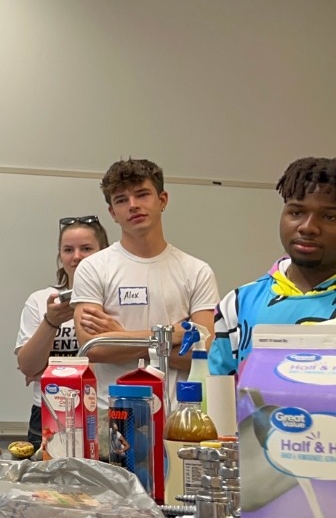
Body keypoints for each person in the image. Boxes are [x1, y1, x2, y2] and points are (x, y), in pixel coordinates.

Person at [73, 158, 220, 392]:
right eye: (121, 200)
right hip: (112, 412)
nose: (133, 205)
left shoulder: (196, 271)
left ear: (163, 200)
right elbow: (93, 348)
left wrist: (121, 337)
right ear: (112, 212)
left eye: (142, 194)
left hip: (180, 414)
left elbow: (205, 353)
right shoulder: (93, 268)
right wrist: (169, 335)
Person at [210, 158, 336, 375]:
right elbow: (220, 395)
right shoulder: (237, 305)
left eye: (329, 216)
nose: (308, 227)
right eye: (296, 212)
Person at [14, 215, 110, 448]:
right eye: (68, 249)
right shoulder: (41, 301)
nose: (76, 257)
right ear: (60, 256)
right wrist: (51, 322)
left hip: (104, 411)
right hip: (49, 410)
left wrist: (52, 369)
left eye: (86, 248)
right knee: (47, 485)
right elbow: (28, 366)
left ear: (104, 253)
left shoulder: (115, 299)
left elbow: (124, 361)